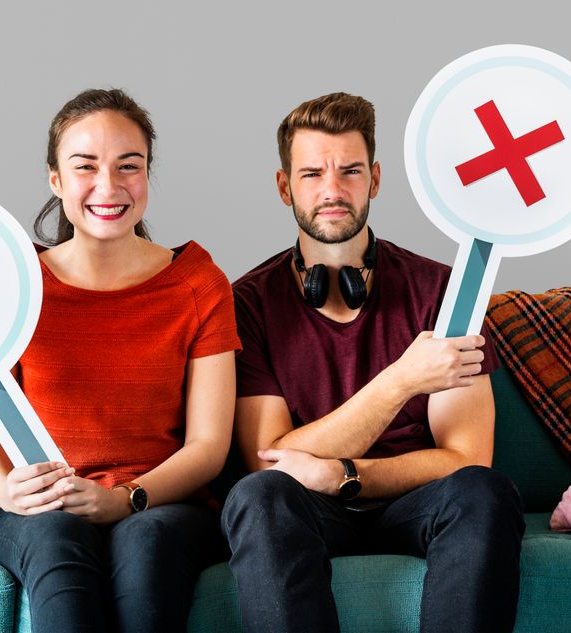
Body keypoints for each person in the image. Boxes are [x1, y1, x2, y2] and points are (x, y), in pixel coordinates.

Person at [221, 92, 525, 633]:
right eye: (312, 173)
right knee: (259, 496)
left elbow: (466, 458)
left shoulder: (445, 293)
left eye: (350, 171)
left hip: (416, 504)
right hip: (306, 511)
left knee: (485, 491)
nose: (333, 190)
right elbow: (272, 462)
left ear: (375, 180)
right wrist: (401, 380)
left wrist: (343, 474)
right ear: (284, 186)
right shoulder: (248, 304)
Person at [0, 88, 241, 633]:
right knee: (55, 539)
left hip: (158, 505)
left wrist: (124, 499)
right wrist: (7, 493)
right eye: (85, 167)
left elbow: (209, 447)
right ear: (56, 180)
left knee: (148, 545)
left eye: (128, 167)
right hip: (42, 510)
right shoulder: (14, 288)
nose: (108, 187)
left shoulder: (199, 284)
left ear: (147, 176)